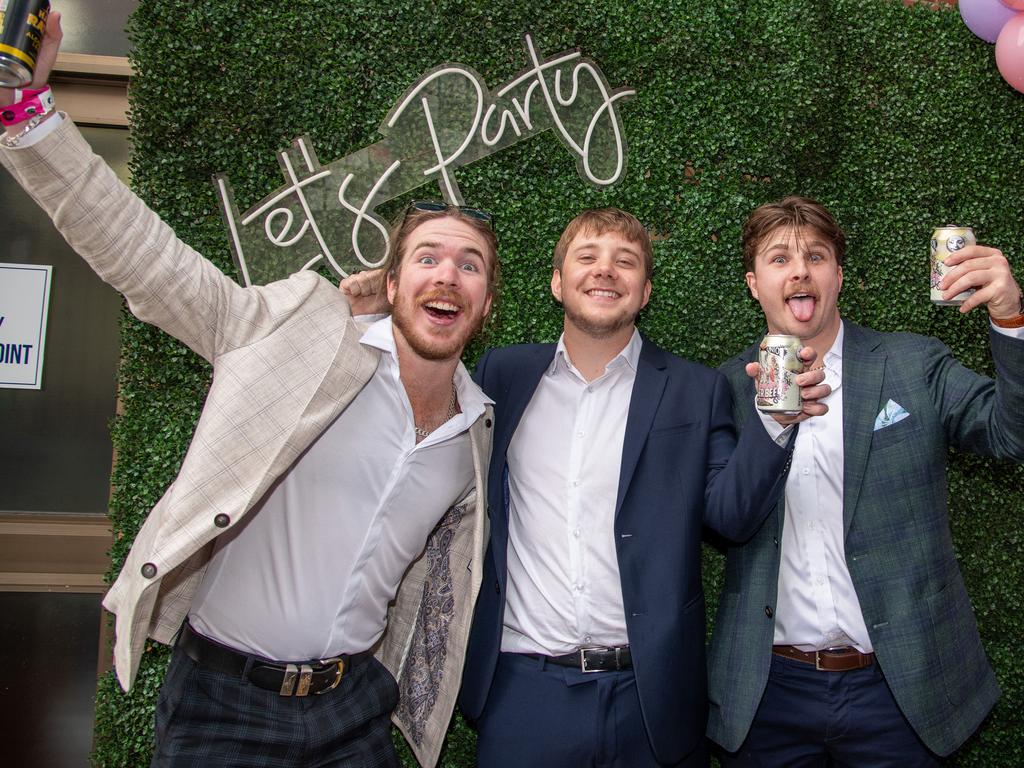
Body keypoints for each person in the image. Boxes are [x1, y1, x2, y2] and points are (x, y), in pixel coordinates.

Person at [1, 13, 498, 768]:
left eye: (470, 265)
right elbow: (153, 266)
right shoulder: (298, 337)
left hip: (355, 708)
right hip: (223, 705)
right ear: (392, 281)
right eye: (428, 257)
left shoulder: (474, 433)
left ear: (486, 303)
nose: (447, 276)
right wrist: (29, 119)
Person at [451, 207, 828, 767]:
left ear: (645, 291)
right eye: (587, 257)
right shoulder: (501, 376)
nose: (605, 271)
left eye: (624, 261)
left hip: (651, 700)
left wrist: (774, 423)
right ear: (557, 282)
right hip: (523, 691)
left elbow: (731, 519)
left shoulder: (695, 390)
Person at [708, 196, 1024, 766]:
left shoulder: (912, 364)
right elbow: (725, 521)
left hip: (901, 685)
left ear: (839, 277)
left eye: (817, 256)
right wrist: (770, 424)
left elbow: (1012, 434)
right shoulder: (723, 391)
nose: (800, 269)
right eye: (780, 258)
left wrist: (1009, 316)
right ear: (754, 285)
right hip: (769, 693)